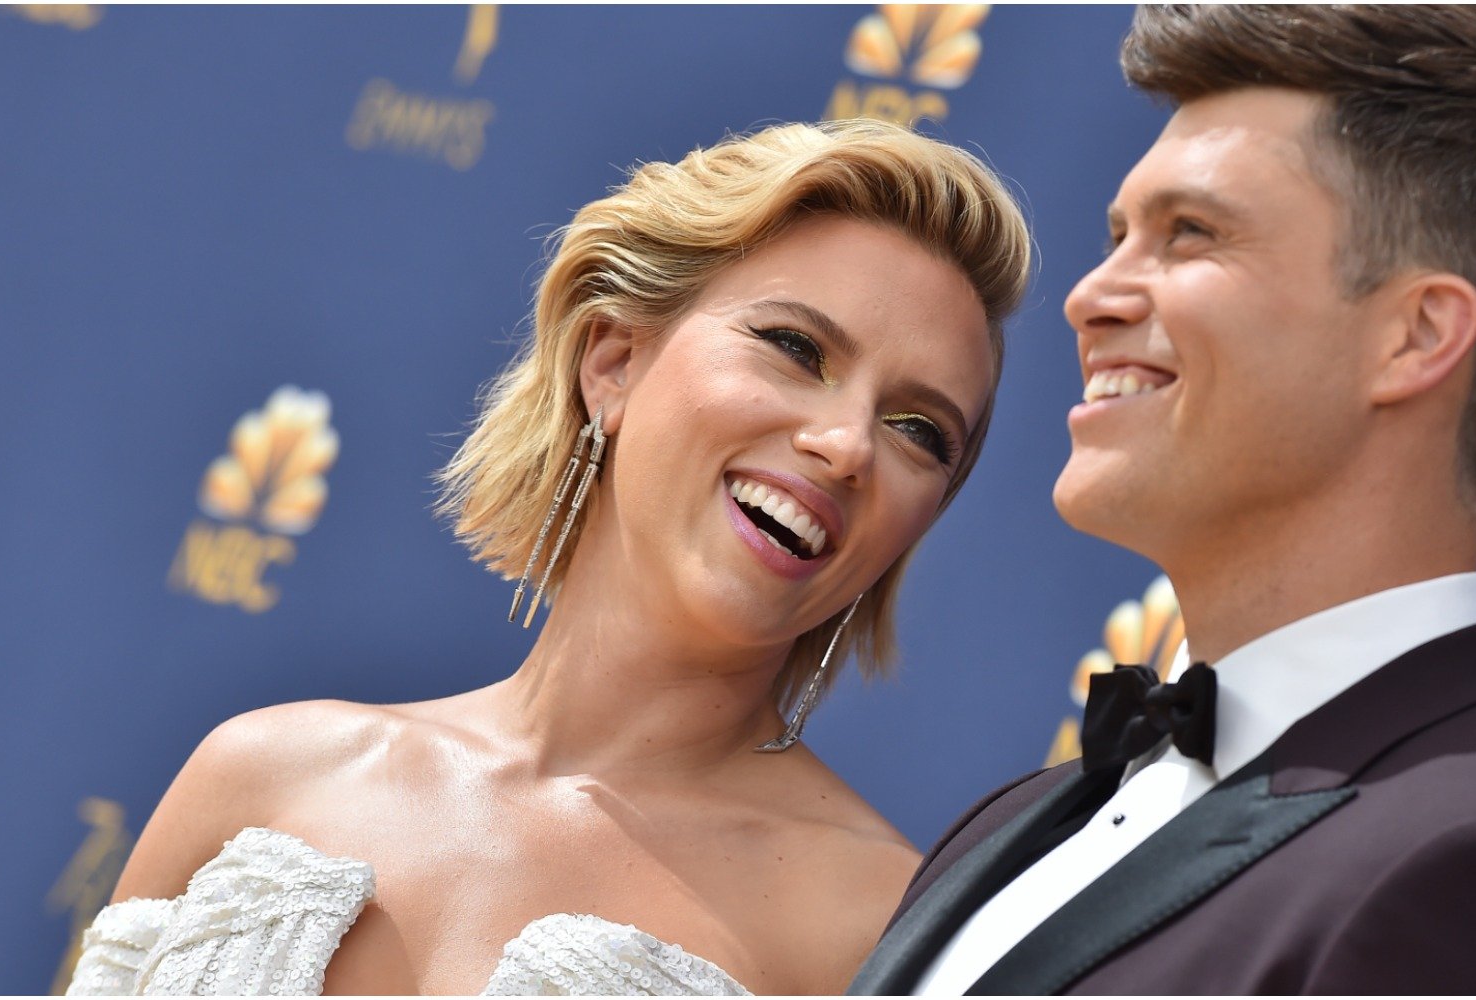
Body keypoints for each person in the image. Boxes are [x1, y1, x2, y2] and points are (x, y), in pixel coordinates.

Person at [68, 119, 1031, 996]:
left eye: (919, 430)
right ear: (613, 363)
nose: (847, 443)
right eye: (795, 347)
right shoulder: (263, 772)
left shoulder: (883, 931)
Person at [851, 6, 1476, 994]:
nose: (1088, 295)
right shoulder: (1015, 823)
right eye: (1116, 235)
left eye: (1189, 234)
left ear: (1413, 336)